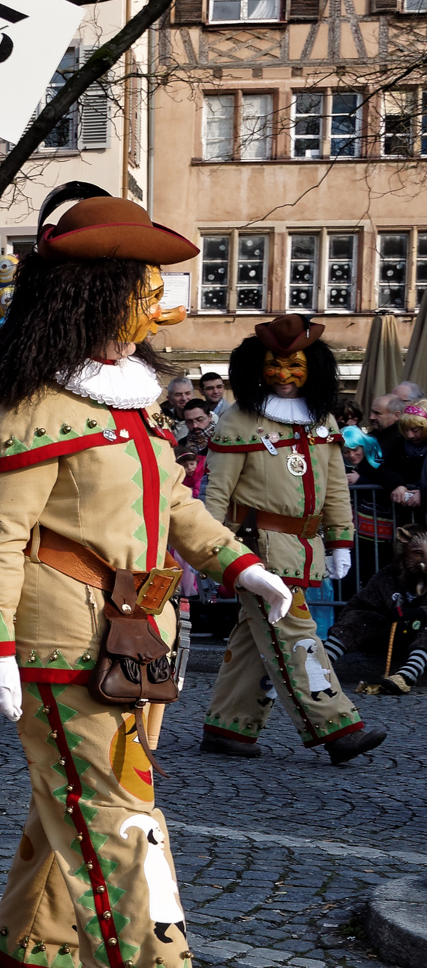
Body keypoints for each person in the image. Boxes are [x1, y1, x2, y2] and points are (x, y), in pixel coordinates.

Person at [0, 188, 294, 968]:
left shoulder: (130, 404)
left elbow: (175, 504)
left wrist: (241, 565)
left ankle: (32, 950)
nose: (155, 309)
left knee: (73, 794)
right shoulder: (35, 408)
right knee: (118, 812)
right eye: (141, 293)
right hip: (64, 635)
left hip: (136, 633)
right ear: (93, 299)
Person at [196, 315, 384, 764]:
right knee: (296, 634)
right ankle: (337, 728)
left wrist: (341, 541)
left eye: (294, 365)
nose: (284, 375)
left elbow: (335, 486)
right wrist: (208, 552)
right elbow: (216, 493)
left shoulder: (322, 419)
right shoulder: (239, 419)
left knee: (255, 640)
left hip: (305, 548)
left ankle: (228, 727)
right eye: (274, 365)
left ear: (312, 368)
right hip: (256, 551)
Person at [325, 526, 427, 694]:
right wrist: (381, 617)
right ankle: (320, 664)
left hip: (420, 639)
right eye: (417, 554)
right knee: (358, 618)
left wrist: (418, 612)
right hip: (393, 636)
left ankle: (407, 675)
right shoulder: (387, 576)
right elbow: (358, 605)